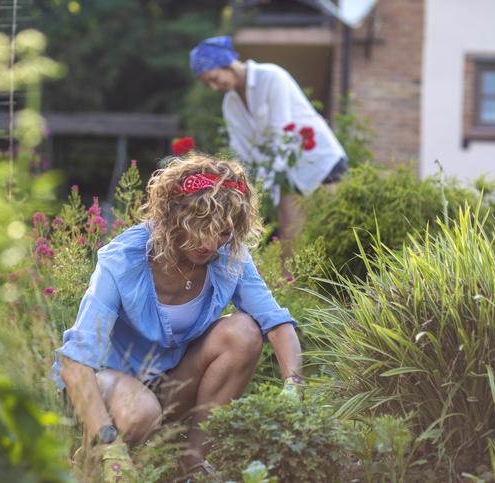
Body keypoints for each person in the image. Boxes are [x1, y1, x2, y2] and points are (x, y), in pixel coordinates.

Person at [51, 154, 304, 483]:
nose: (212, 243)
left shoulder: (227, 257)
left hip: (169, 386)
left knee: (244, 331)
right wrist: (111, 445)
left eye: (224, 232)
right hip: (103, 389)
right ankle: (94, 457)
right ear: (173, 215)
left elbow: (275, 322)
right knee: (141, 412)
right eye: (202, 229)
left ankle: (192, 469)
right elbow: (76, 364)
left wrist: (294, 387)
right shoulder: (123, 259)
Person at [189, 36, 348, 262]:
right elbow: (242, 151)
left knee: (336, 233)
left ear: (227, 64)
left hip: (320, 163)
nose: (214, 87)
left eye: (214, 79)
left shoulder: (272, 77)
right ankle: (289, 295)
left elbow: (282, 133)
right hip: (284, 175)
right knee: (291, 235)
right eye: (208, 84)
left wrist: (267, 181)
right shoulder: (230, 105)